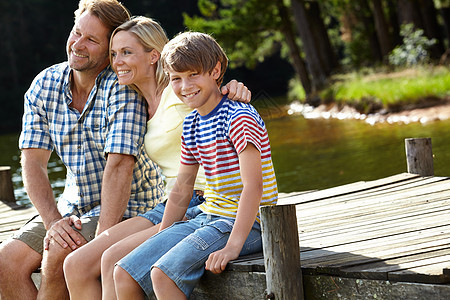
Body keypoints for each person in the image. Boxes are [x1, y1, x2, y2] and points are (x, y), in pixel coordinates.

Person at [0, 1, 249, 299]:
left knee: (75, 258)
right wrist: (55, 221)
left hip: (180, 205)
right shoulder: (125, 94)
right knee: (12, 262)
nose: (79, 44)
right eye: (77, 33)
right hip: (125, 204)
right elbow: (32, 161)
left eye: (93, 40)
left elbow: (209, 95)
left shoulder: (152, 91)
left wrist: (231, 90)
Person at [63, 16, 245, 300]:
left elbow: (221, 105)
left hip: (201, 201)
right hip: (168, 201)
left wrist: (234, 89)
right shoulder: (136, 102)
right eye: (113, 54)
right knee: (76, 264)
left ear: (153, 56)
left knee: (113, 261)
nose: (117, 61)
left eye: (126, 52)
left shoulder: (182, 94)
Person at [112, 31, 278, 299]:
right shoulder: (191, 124)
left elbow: (254, 187)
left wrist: (233, 247)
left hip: (252, 224)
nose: (185, 85)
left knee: (163, 274)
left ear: (215, 71)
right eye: (176, 79)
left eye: (193, 75)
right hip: (208, 216)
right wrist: (162, 235)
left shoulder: (238, 117)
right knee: (124, 271)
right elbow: (182, 187)